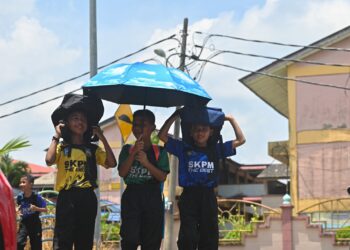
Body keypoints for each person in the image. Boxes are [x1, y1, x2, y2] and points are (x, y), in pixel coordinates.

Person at [158, 108, 246, 250]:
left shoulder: (216, 149)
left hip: (208, 196)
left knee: (209, 236)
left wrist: (231, 119)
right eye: (196, 130)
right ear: (191, 133)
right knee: (188, 236)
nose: (200, 133)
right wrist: (175, 116)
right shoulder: (183, 148)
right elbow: (161, 136)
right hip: (189, 196)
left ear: (211, 132)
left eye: (204, 129)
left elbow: (241, 140)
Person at [45, 93, 117, 250]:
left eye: (83, 119)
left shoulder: (92, 149)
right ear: (67, 123)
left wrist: (102, 138)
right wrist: (56, 135)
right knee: (63, 240)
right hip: (67, 197)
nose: (80, 122)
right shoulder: (61, 147)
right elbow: (49, 160)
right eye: (75, 118)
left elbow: (112, 163)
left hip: (87, 198)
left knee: (84, 240)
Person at [118, 109, 170, 250]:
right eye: (136, 124)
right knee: (129, 238)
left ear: (152, 127)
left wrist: (146, 163)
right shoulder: (127, 150)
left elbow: (162, 176)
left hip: (152, 197)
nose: (138, 128)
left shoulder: (159, 151)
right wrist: (134, 153)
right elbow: (122, 172)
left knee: (151, 240)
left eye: (143, 124)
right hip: (132, 197)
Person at [17, 174, 48, 250]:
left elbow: (45, 209)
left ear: (31, 184)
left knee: (36, 245)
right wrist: (18, 210)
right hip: (24, 223)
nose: (21, 184)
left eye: (23, 182)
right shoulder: (19, 197)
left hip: (35, 224)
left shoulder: (36, 197)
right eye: (20, 182)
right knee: (19, 243)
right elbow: (19, 207)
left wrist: (36, 208)